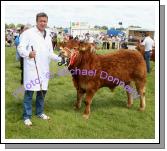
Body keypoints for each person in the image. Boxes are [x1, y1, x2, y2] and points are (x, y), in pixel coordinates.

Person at [18, 12, 62, 126]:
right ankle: (26, 116)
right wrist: (28, 53)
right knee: (29, 93)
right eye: (41, 21)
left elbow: (50, 53)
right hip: (32, 68)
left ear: (47, 22)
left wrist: (61, 59)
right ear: (36, 21)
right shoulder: (28, 33)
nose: (43, 23)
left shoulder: (48, 35)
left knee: (42, 92)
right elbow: (20, 48)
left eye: (45, 21)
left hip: (44, 68)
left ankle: (39, 112)